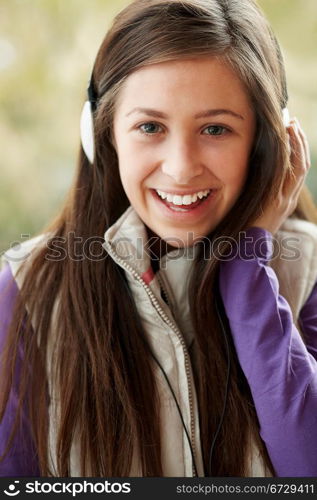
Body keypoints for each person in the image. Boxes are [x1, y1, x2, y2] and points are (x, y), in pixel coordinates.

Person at [0, 0, 317, 478]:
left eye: (216, 128)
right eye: (150, 127)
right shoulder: (27, 289)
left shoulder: (309, 271)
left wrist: (246, 267)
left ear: (266, 143)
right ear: (101, 135)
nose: (181, 166)